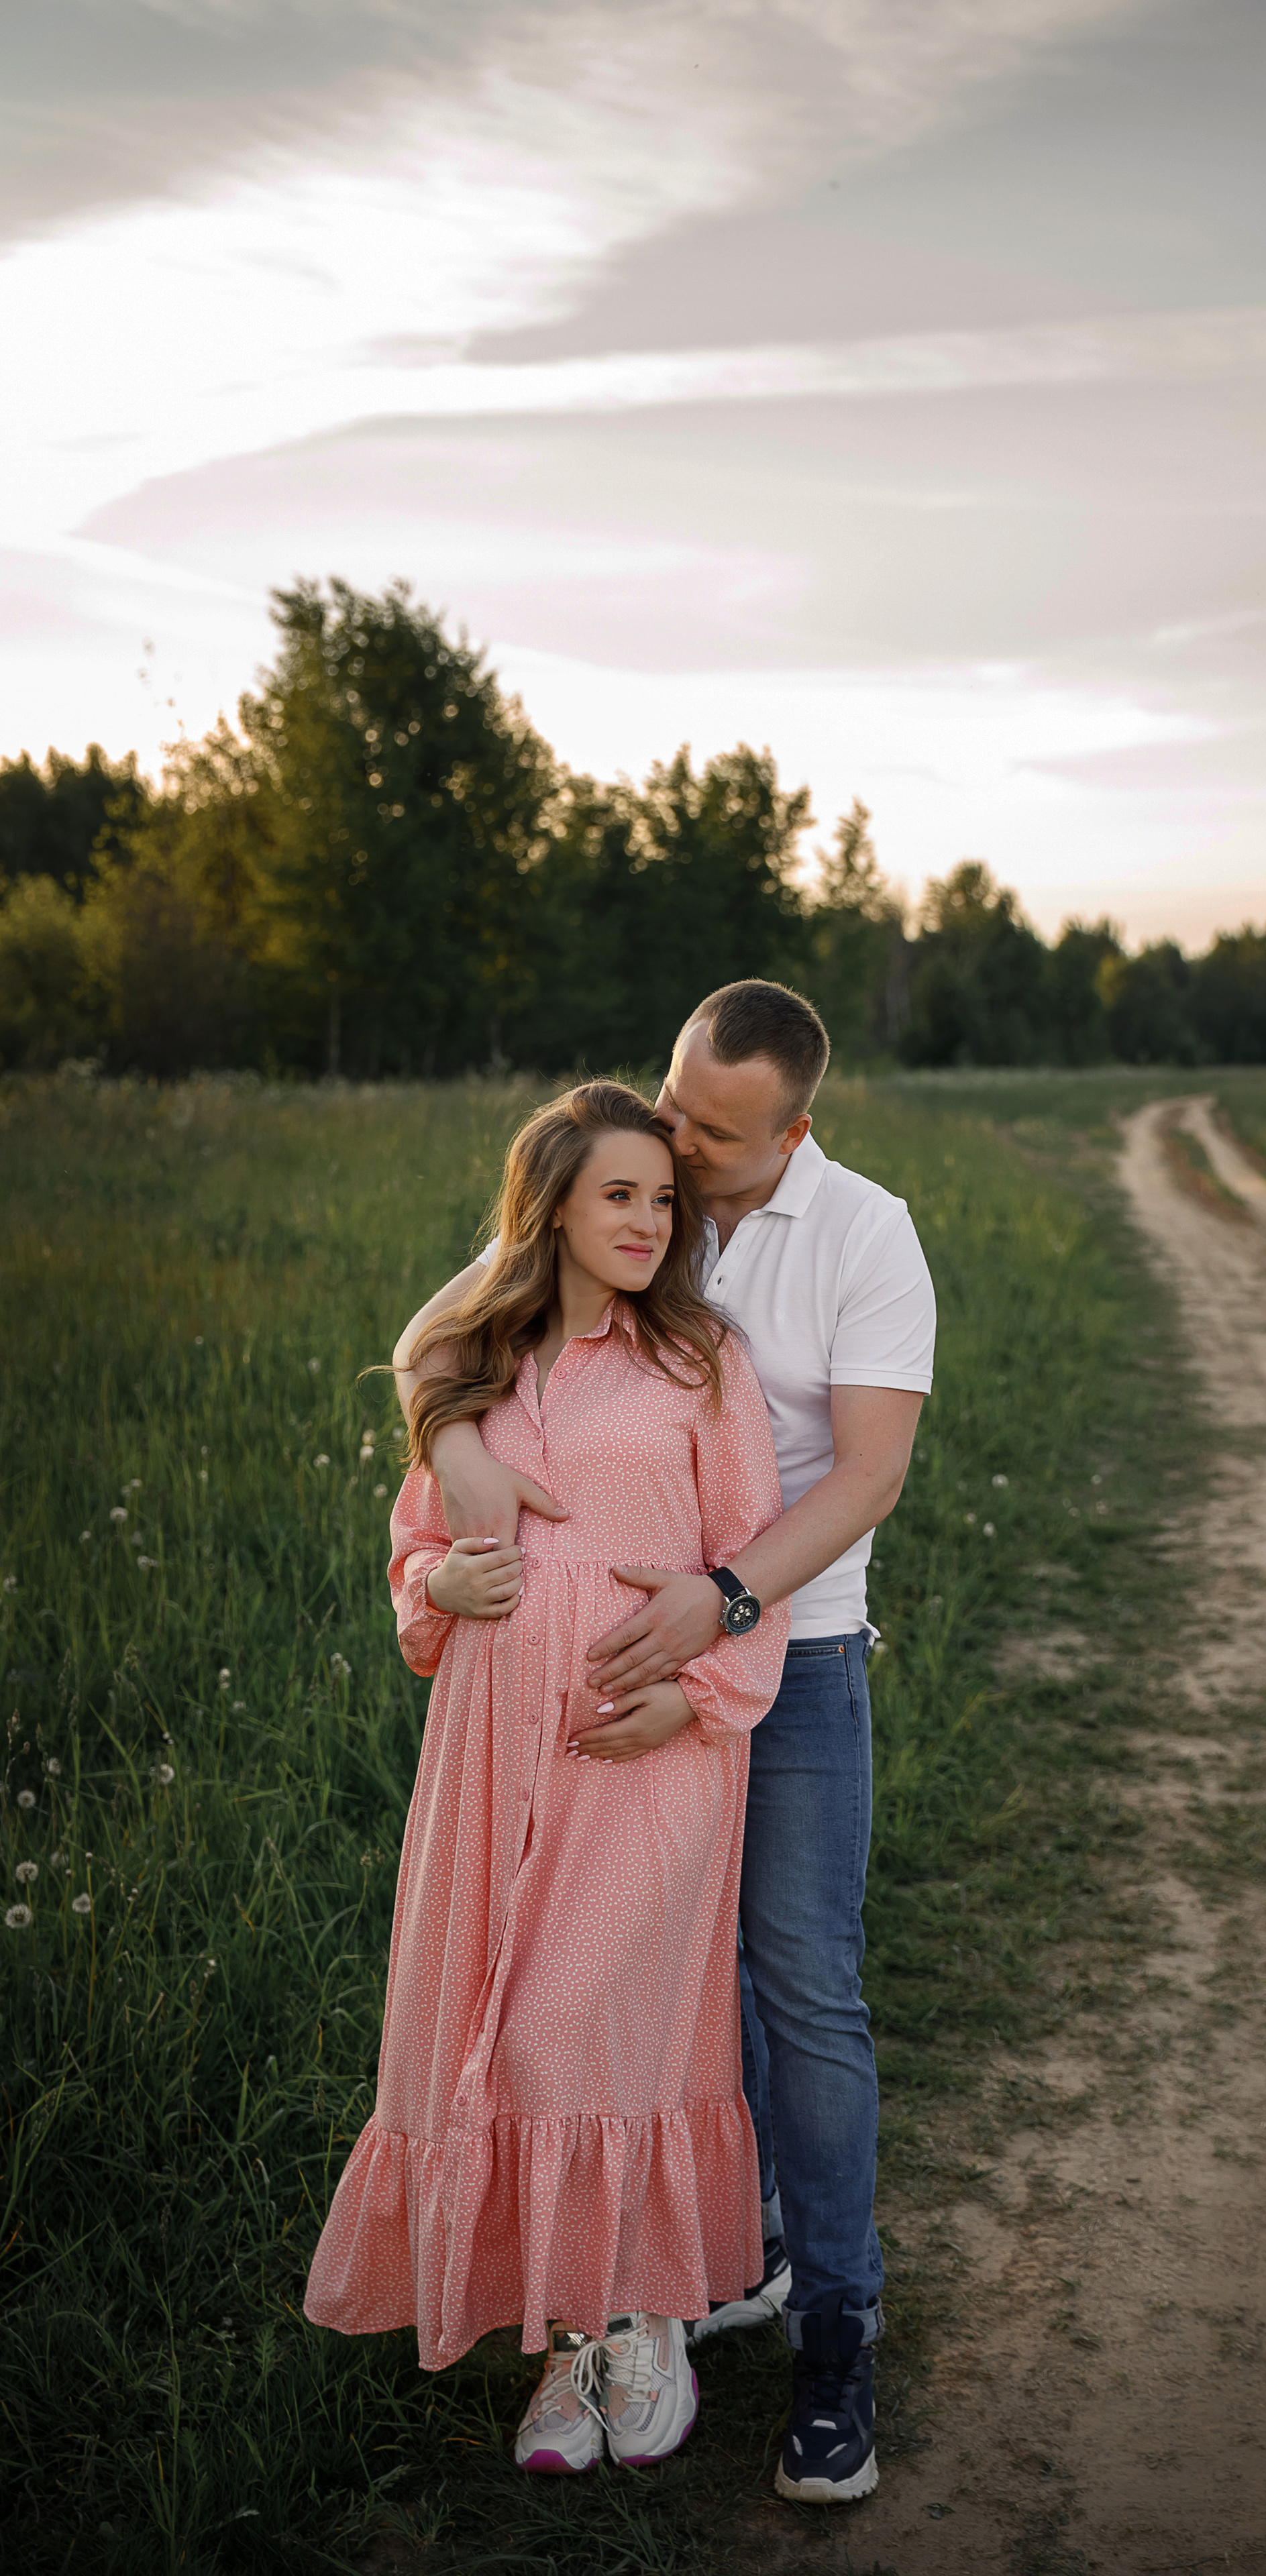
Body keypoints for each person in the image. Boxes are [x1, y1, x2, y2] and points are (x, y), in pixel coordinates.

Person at [394, 981, 935, 2505]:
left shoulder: (861, 1235)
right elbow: (446, 1333)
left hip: (793, 1644)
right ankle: (702, 2263)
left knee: (797, 1986)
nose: (680, 1145)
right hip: (596, 1677)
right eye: (670, 1104)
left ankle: (836, 2325)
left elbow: (871, 1472)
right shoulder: (629, 1187)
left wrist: (720, 1604)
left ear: (793, 1131)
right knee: (654, 1987)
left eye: (711, 1131)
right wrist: (451, 1460)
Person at [306, 1081, 789, 2479]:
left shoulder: (700, 1365)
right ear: (554, 1209)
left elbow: (744, 1559)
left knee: (583, 2031)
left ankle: (642, 2327)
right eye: (616, 1195)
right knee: (493, 2033)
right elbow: (413, 1547)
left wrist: (694, 1699)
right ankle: (571, 2347)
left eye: (660, 1197)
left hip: (641, 1750)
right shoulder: (478, 1362)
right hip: (486, 1746)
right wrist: (439, 1578)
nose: (646, 1220)